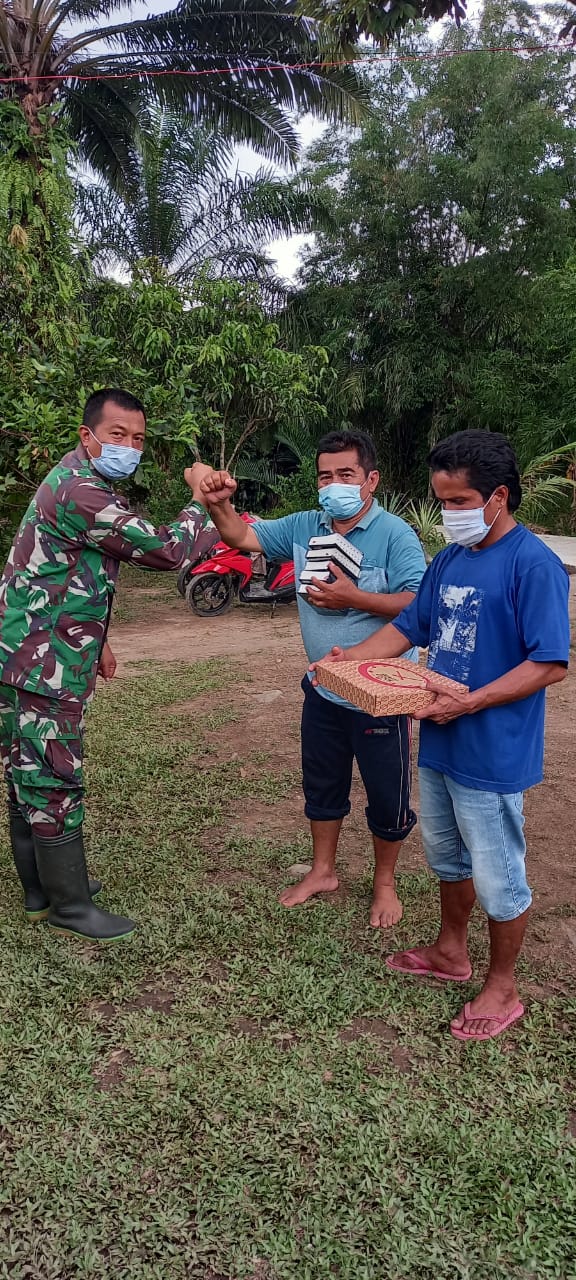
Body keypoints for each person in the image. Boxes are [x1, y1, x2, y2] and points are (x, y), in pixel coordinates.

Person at [312, 430, 570, 1042]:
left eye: (458, 503)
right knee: (448, 857)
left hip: (492, 748)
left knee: (498, 875)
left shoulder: (534, 565)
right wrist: (347, 664)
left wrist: (471, 701)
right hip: (440, 738)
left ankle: (502, 986)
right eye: (443, 501)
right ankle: (452, 951)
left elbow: (550, 662)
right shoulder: (453, 559)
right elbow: (408, 625)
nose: (449, 515)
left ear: (497, 497)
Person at [0, 389, 218, 942]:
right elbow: (166, 551)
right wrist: (199, 501)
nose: (129, 447)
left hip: (32, 650)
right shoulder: (81, 492)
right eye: (117, 435)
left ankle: (40, 892)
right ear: (87, 435)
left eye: (139, 439)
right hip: (43, 664)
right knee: (52, 777)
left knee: (28, 771)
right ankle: (69, 906)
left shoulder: (78, 481)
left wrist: (98, 642)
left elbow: (76, 573)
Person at [193, 430, 427, 927]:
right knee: (322, 784)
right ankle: (323, 870)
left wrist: (355, 598)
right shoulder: (304, 525)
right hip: (321, 686)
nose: (334, 484)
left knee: (387, 792)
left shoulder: (395, 534)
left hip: (377, 694)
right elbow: (240, 537)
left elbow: (417, 604)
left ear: (371, 481)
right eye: (326, 475)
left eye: (346, 475)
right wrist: (218, 505)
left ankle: (384, 883)